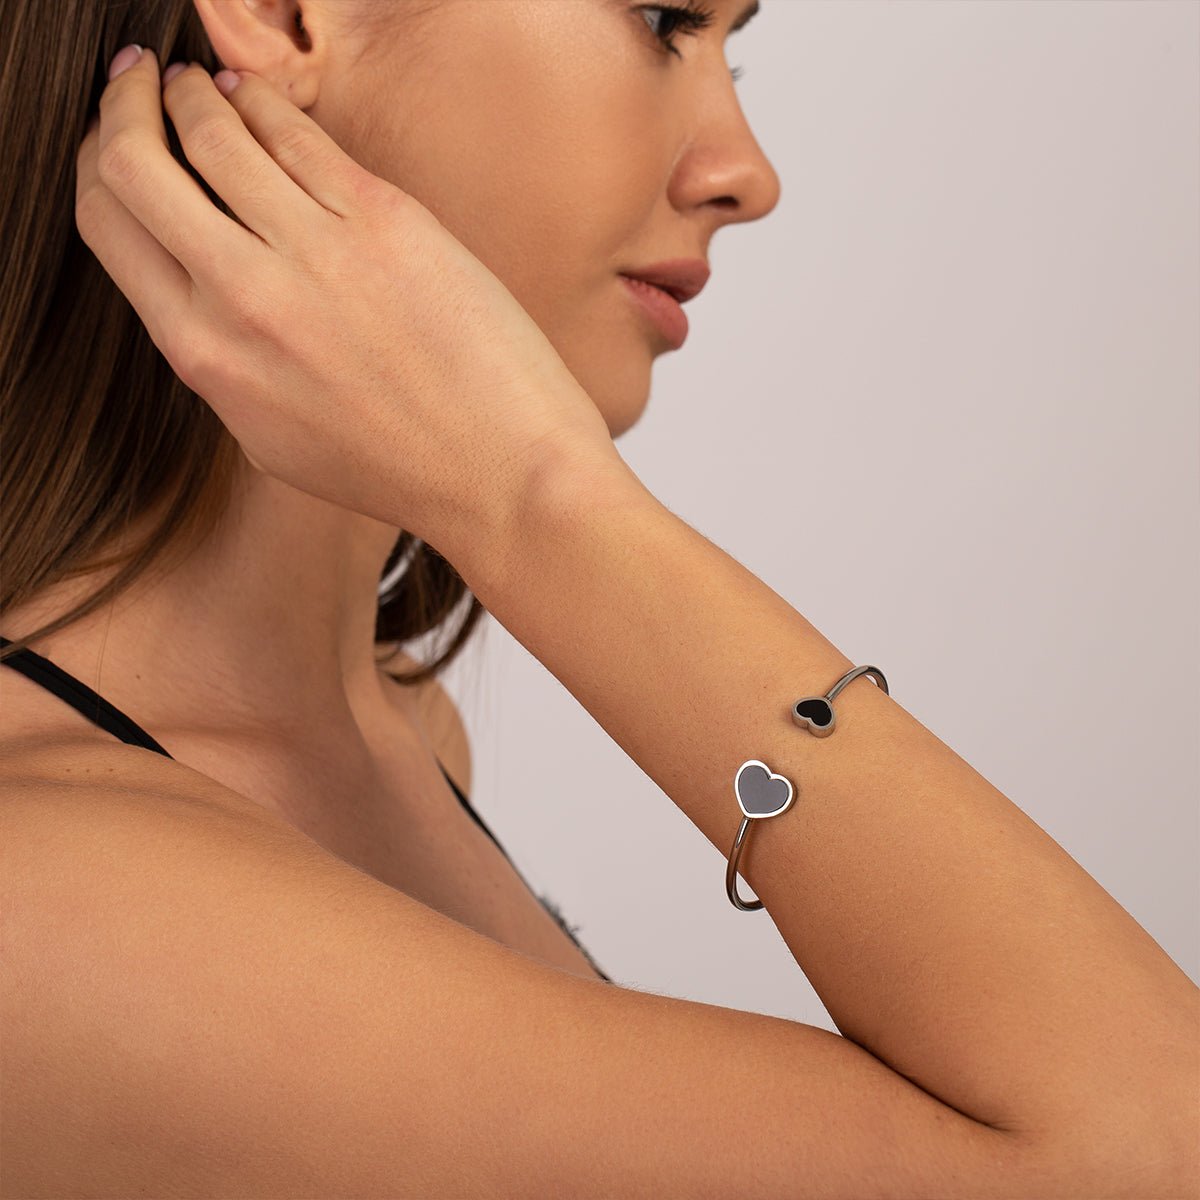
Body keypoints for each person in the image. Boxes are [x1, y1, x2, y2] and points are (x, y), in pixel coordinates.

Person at [1, 3, 1196, 1197]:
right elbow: (1144, 1153)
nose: (748, 175)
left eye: (732, 51)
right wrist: (531, 494)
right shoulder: (55, 901)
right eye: (663, 20)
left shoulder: (400, 730)